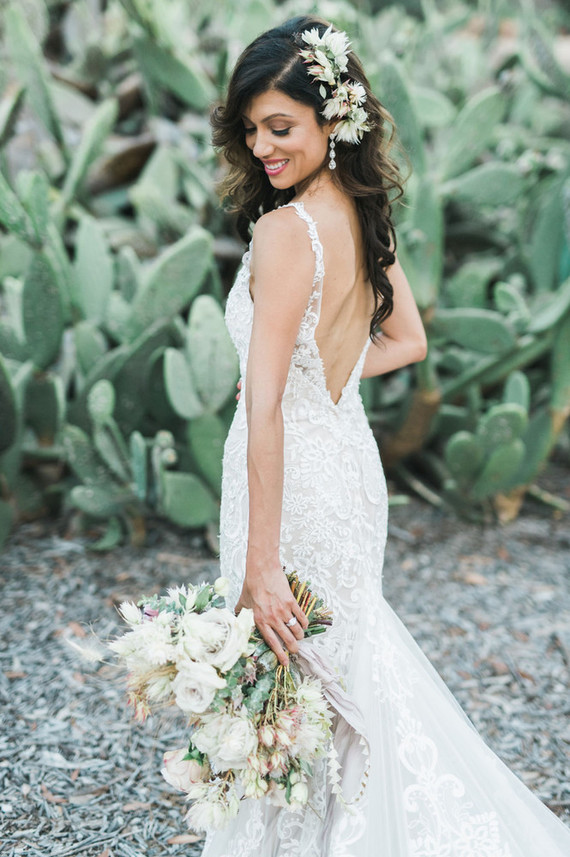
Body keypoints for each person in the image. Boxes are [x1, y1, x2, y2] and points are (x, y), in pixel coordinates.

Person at [204, 15, 570, 856]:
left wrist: (261, 564)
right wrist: (320, 375)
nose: (262, 146)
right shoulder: (363, 215)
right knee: (341, 662)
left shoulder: (285, 231)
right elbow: (407, 341)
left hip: (290, 473)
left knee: (296, 664)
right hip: (343, 460)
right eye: (253, 128)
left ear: (332, 121)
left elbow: (262, 413)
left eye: (281, 127)